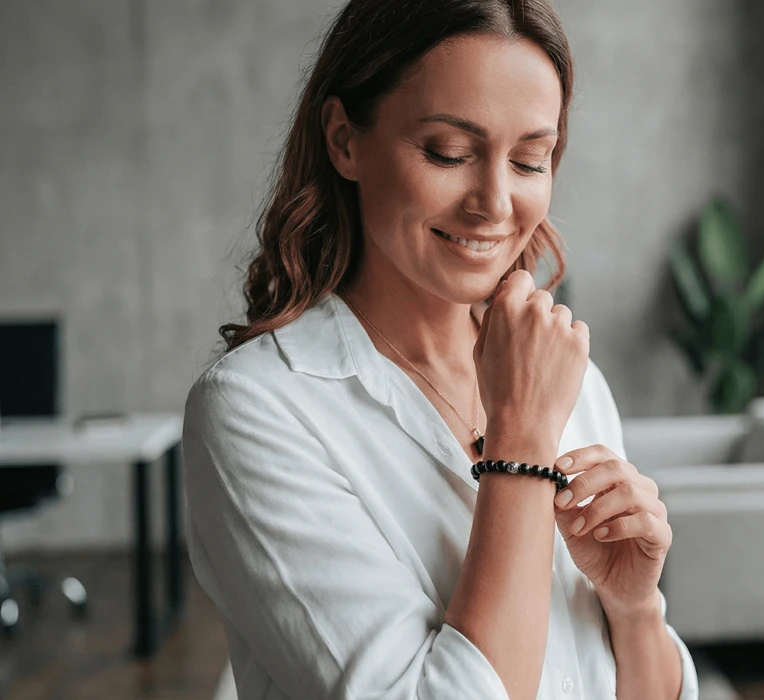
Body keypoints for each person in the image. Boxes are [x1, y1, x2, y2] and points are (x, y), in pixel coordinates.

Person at [180, 1, 700, 698]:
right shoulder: (256, 411)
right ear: (344, 140)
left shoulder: (568, 376)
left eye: (529, 160)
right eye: (448, 153)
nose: (494, 202)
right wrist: (520, 440)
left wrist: (635, 608)